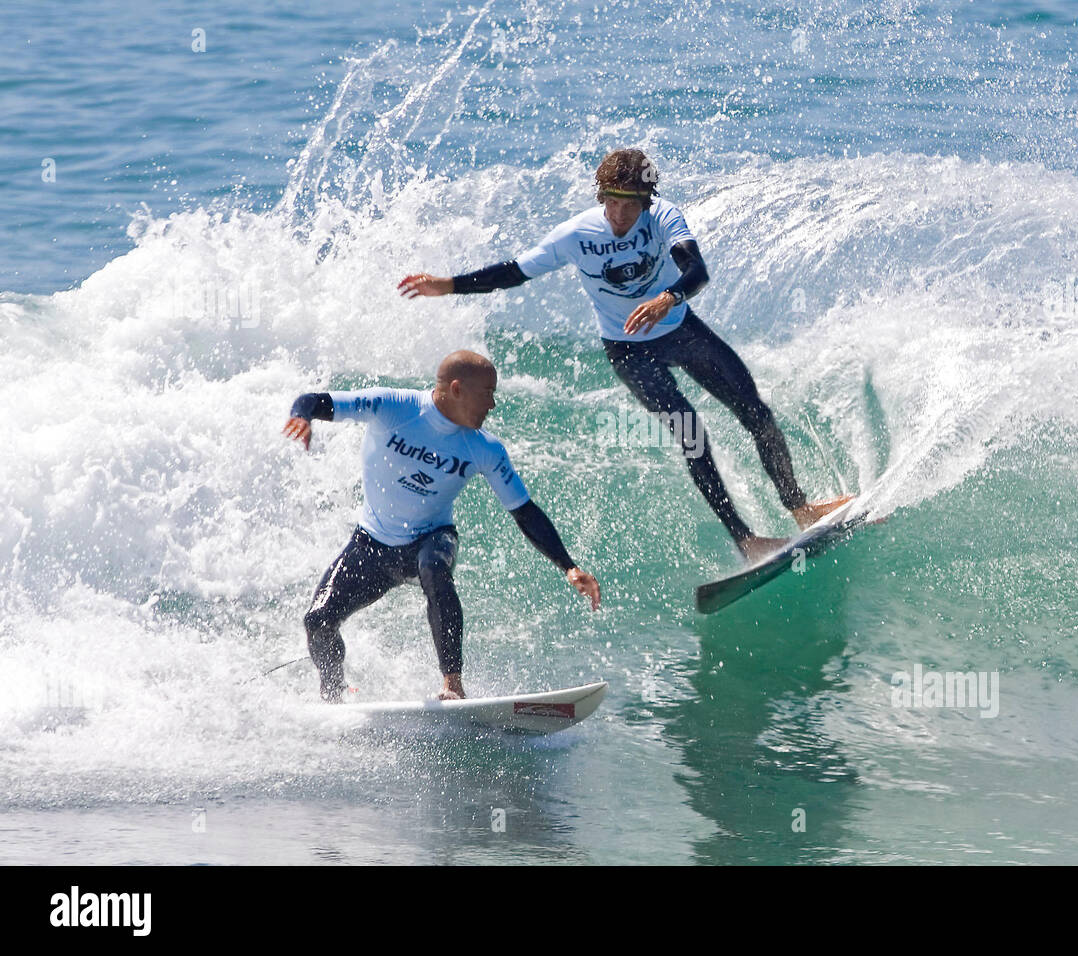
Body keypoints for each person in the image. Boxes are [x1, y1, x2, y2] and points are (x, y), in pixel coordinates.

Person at [397, 148, 852, 562]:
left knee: (756, 411)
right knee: (692, 433)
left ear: (647, 201)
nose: (619, 214)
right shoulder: (576, 234)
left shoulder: (664, 219)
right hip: (629, 351)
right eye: (611, 202)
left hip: (680, 329)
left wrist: (667, 299)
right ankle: (746, 541)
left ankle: (800, 509)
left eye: (630, 204)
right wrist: (449, 285)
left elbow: (697, 270)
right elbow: (515, 272)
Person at [282, 350, 600, 703]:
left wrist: (569, 566)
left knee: (434, 568)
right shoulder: (393, 406)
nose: (493, 405)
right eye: (487, 393)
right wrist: (302, 416)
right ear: (457, 389)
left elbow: (524, 512)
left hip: (431, 538)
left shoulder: (485, 449)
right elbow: (314, 400)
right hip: (370, 544)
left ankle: (453, 684)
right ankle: (333, 695)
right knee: (317, 621)